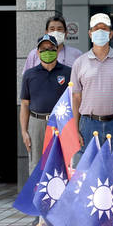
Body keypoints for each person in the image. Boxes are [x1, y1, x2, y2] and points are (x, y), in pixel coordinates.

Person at [70, 13, 113, 155]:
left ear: (111, 34)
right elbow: (76, 98)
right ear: (90, 34)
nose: (100, 32)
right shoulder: (80, 62)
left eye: (104, 28)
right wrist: (74, 130)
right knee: (88, 173)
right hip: (88, 125)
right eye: (96, 29)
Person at [20, 34, 72, 173]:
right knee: (37, 163)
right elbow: (25, 104)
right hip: (37, 122)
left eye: (51, 48)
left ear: (57, 50)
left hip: (60, 123)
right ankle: (36, 194)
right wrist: (24, 131)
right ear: (37, 52)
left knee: (61, 162)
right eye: (43, 49)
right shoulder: (29, 74)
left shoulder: (68, 72)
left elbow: (74, 100)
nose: (47, 51)